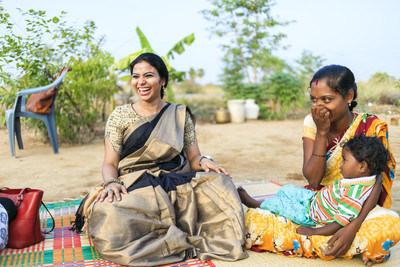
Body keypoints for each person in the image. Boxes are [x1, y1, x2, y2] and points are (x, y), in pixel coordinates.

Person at [72, 53, 247, 266]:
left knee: (224, 184)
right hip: (136, 185)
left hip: (176, 181)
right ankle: (172, 242)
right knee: (109, 214)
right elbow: (110, 163)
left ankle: (170, 237)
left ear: (162, 80)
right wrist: (111, 182)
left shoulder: (179, 114)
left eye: (148, 75)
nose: (141, 82)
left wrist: (205, 162)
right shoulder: (120, 116)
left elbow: (193, 157)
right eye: (136, 76)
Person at [243, 65, 398, 264]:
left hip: (359, 206)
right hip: (319, 202)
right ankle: (343, 245)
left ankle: (331, 241)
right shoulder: (312, 122)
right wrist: (322, 133)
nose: (318, 107)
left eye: (326, 99)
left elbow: (377, 181)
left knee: (390, 225)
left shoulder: (371, 126)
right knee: (251, 223)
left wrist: (351, 227)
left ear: (348, 96)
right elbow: (314, 179)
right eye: (314, 100)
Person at [239, 135, 388, 237]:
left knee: (279, 205)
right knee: (287, 189)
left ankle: (256, 203)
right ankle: (271, 205)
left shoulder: (354, 195)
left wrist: (314, 232)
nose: (340, 164)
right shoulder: (363, 178)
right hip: (314, 198)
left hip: (310, 215)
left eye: (344, 160)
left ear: (362, 166)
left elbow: (339, 223)